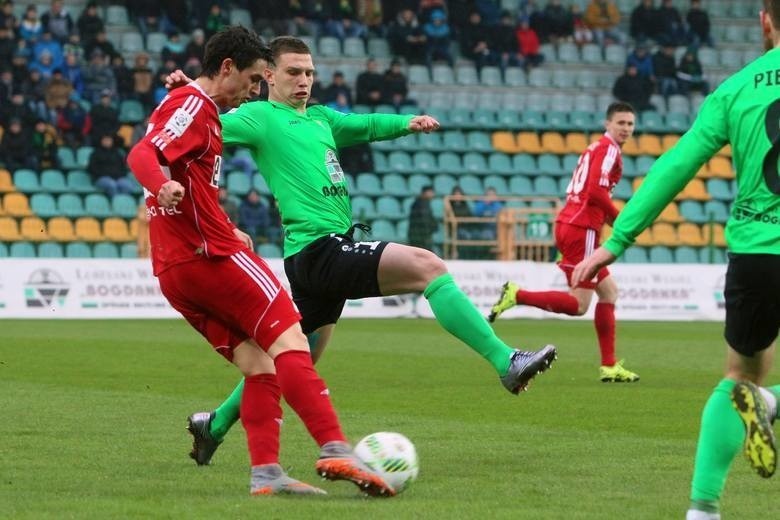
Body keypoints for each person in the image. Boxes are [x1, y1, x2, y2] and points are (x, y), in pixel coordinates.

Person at [174, 35, 556, 466]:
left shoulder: (320, 119)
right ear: (268, 76)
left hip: (321, 253)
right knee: (427, 266)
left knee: (293, 355)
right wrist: (190, 92)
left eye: (309, 72)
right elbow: (201, 127)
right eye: (293, 72)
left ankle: (215, 424)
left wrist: (408, 122)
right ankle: (506, 361)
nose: (304, 81)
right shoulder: (260, 116)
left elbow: (366, 125)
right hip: (318, 250)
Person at [127, 26, 394, 497]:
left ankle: (266, 474)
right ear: (227, 67)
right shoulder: (194, 106)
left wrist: (224, 222)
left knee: (260, 366)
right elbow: (143, 153)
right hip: (209, 256)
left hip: (175, 269)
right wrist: (159, 184)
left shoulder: (196, 107)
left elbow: (182, 160)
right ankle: (335, 448)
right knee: (292, 336)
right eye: (253, 79)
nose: (254, 91)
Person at [571, 6, 780, 518]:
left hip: (756, 251)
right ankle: (771, 403)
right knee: (755, 385)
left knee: (739, 375)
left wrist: (616, 240)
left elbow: (675, 166)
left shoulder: (735, 89)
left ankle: (702, 511)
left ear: (766, 23)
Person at [489, 102, 639, 384]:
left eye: (630, 124)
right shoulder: (609, 150)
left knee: (609, 293)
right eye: (621, 123)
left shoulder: (596, 148)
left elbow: (589, 192)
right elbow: (594, 192)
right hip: (582, 228)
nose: (626, 129)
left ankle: (608, 365)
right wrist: (620, 220)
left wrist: (609, 219)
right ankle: (517, 295)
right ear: (608, 124)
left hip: (573, 223)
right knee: (580, 304)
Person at [407, 184, 437, 251]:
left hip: (421, 235)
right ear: (426, 192)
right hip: (420, 236)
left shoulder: (422, 203)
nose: (433, 194)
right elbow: (424, 220)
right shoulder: (421, 204)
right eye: (431, 192)